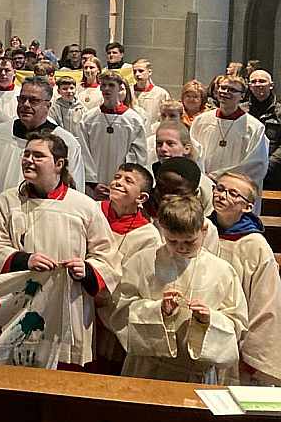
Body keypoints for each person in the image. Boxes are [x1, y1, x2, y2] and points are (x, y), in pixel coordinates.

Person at [0, 132, 119, 369]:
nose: (28, 160)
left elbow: (106, 257)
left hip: (69, 305)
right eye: (26, 154)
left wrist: (86, 269)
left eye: (38, 155)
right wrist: (25, 260)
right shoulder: (7, 202)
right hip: (20, 305)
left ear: (59, 164)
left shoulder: (83, 205)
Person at [109, 194, 247, 384]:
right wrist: (158, 311)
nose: (181, 248)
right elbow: (119, 312)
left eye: (189, 241)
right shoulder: (143, 262)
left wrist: (209, 319)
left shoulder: (222, 271)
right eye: (172, 241)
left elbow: (237, 322)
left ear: (204, 230)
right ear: (162, 230)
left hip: (194, 375)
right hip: (147, 369)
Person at [207, 172, 281, 385]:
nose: (222, 195)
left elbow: (267, 305)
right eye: (219, 189)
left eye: (232, 193)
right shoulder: (201, 230)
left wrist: (252, 355)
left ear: (247, 207)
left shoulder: (255, 246)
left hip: (236, 340)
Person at [92, 163, 160, 374]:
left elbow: (137, 282)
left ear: (142, 198)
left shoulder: (148, 236)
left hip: (110, 310)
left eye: (128, 181)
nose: (118, 182)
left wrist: (102, 295)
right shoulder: (91, 210)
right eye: (117, 176)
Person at [0, 77, 92, 198]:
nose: (25, 104)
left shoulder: (66, 142)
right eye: (22, 99)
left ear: (48, 105)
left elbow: (73, 193)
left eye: (33, 100)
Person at [190, 75, 268, 211]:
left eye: (231, 90)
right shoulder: (201, 121)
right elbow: (193, 153)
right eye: (222, 88)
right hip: (204, 186)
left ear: (242, 96)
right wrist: (204, 179)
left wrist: (218, 178)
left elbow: (256, 164)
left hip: (236, 193)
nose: (225, 92)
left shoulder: (254, 127)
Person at [79, 72, 147, 199]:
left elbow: (138, 154)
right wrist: (93, 183)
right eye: (103, 85)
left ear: (120, 88)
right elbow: (83, 151)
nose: (106, 89)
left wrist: (123, 181)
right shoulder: (89, 118)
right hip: (94, 184)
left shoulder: (133, 120)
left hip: (122, 184)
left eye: (111, 85)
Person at [153, 121, 214, 215]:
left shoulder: (202, 184)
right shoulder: (151, 174)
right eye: (159, 144)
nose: (163, 149)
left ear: (186, 148)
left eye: (170, 144)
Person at [245, 70, 281, 190]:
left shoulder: (279, 112)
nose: (258, 84)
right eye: (253, 82)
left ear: (271, 85)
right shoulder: (241, 110)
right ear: (249, 86)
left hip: (273, 174)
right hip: (244, 172)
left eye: (262, 81)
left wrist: (268, 165)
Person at [131, 59, 170, 128]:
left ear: (149, 72)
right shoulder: (129, 91)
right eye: (134, 72)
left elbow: (167, 116)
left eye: (141, 71)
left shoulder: (161, 93)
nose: (137, 74)